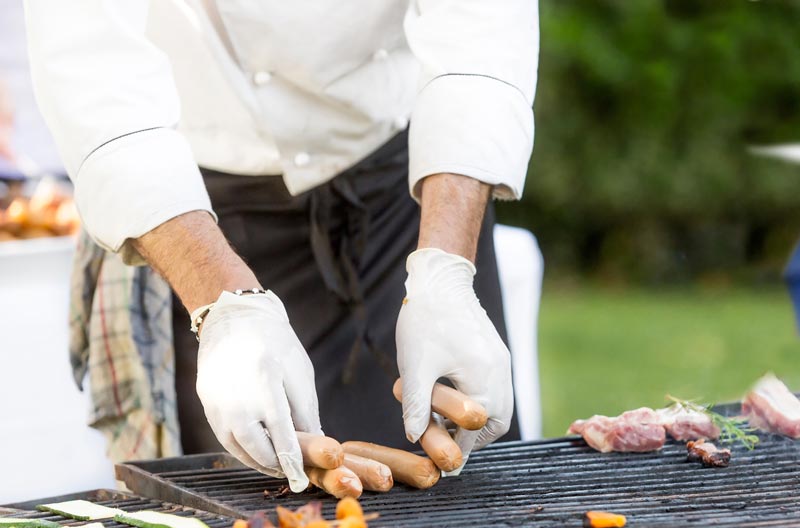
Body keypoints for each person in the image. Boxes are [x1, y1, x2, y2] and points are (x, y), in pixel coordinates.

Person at [24, 1, 539, 491]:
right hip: (206, 215)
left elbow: (482, 29)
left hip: (410, 189)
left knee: (468, 479)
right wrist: (226, 307)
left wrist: (445, 268)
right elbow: (92, 67)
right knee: (261, 512)